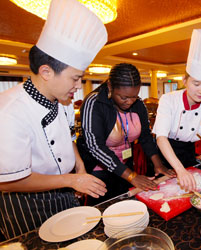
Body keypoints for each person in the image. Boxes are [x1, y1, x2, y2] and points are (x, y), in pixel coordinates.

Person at [0, 0, 108, 239]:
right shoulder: (10, 110)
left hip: (66, 191)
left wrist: (78, 166)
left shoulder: (62, 101)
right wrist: (72, 179)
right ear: (46, 72)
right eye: (75, 78)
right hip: (27, 204)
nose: (78, 86)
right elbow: (7, 183)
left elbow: (68, 137)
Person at [77, 63, 175, 204]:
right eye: (123, 97)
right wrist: (132, 176)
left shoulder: (138, 104)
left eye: (134, 97)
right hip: (98, 170)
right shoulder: (94, 102)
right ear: (110, 87)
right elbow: (95, 146)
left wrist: (157, 163)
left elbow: (146, 136)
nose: (129, 102)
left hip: (125, 166)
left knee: (125, 204)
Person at [153, 29, 201, 191]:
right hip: (165, 153)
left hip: (188, 151)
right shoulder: (169, 99)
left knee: (190, 191)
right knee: (165, 192)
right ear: (185, 80)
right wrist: (179, 170)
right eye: (196, 84)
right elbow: (161, 138)